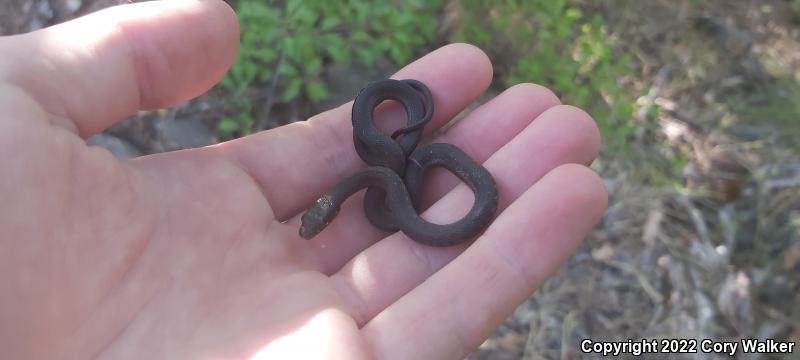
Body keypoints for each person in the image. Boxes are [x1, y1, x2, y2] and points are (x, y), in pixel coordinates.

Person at [0, 0, 607, 358]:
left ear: (326, 206)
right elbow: (386, 194)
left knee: (402, 183)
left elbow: (388, 192)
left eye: (315, 217)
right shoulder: (380, 184)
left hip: (397, 179)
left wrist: (400, 164)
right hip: (395, 181)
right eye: (316, 218)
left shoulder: (384, 181)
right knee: (398, 185)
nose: (314, 223)